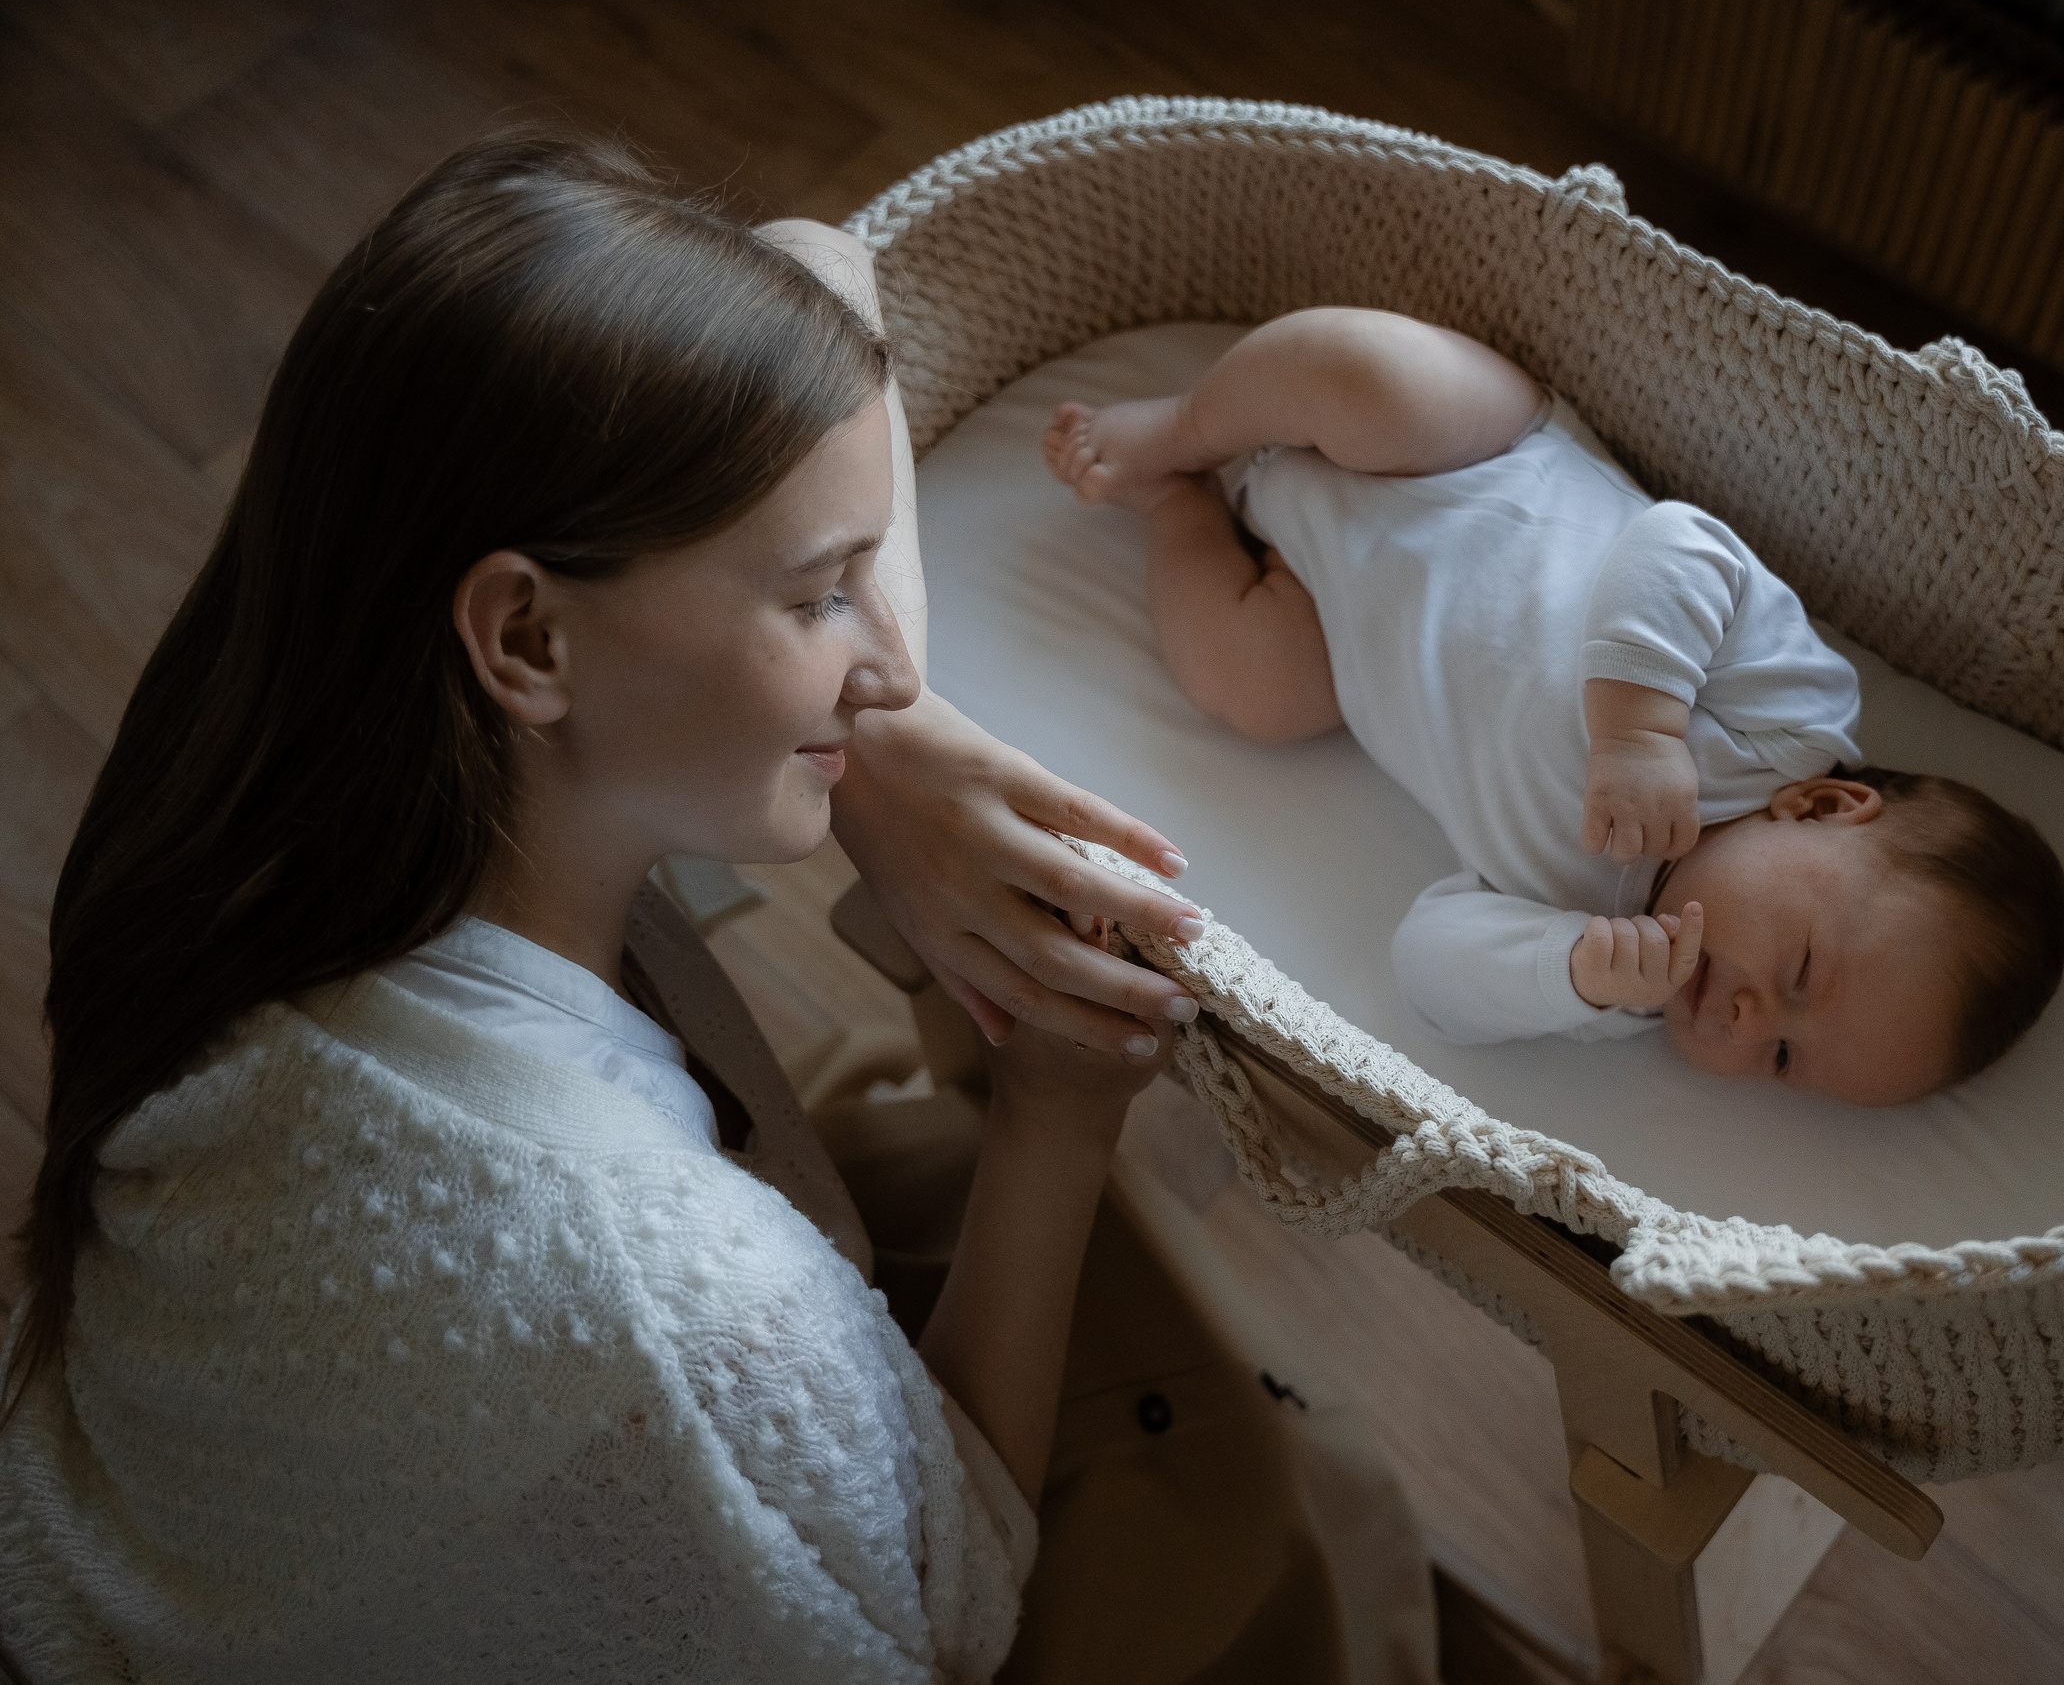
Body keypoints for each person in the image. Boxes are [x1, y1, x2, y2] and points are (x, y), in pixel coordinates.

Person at [0, 133, 1212, 1684]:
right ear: (527, 638)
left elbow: (819, 260)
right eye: (817, 592)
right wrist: (1056, 1107)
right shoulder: (681, 1308)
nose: (898, 665)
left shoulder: (251, 809)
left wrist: (885, 759)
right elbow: (945, 1602)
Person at [1044, 308, 2064, 1105]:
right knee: (1372, 378)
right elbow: (1682, 545)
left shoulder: (1603, 963)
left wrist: (1567, 973)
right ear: (1827, 810)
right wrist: (1640, 726)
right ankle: (1182, 431)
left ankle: (1178, 503)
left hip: (1322, 611)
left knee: (1249, 691)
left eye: (1783, 1058)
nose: (1747, 1020)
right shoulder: (1787, 732)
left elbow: (1430, 965)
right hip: (1466, 459)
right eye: (1799, 969)